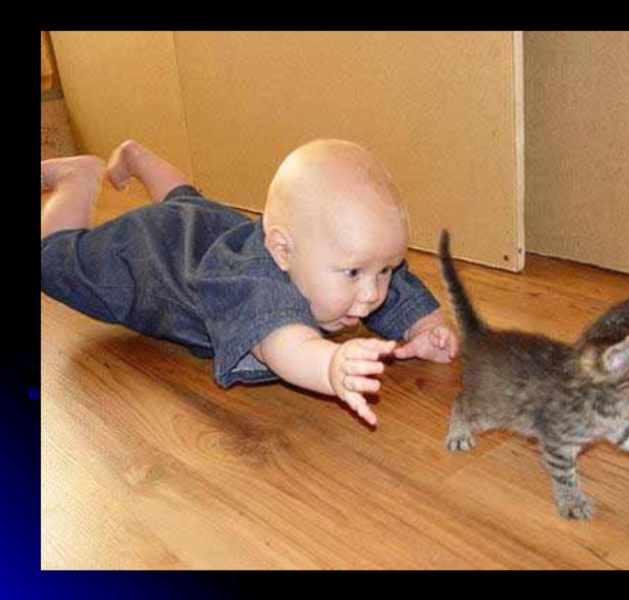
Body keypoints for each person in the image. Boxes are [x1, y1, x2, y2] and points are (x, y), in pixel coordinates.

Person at [41, 139, 460, 425]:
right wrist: (330, 365)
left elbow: (389, 281)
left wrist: (425, 327)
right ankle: (77, 178)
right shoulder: (258, 287)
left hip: (208, 227)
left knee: (188, 204)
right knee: (52, 261)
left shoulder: (344, 259)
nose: (371, 293)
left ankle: (138, 155)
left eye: (384, 270)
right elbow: (286, 346)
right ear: (281, 251)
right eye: (354, 273)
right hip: (154, 254)